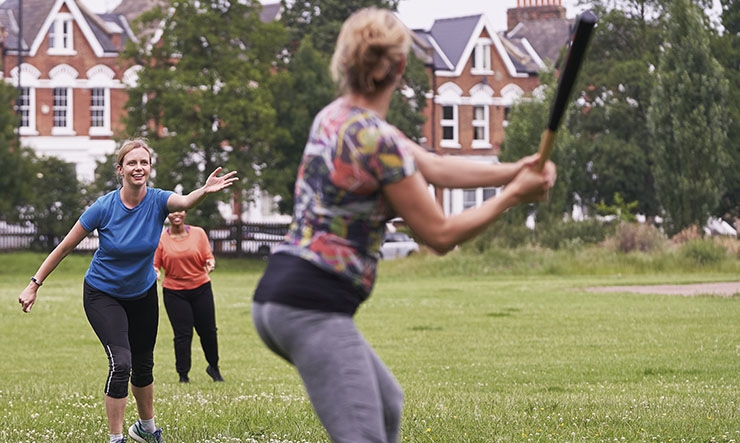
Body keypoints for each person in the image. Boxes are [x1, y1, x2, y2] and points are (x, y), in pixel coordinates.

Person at [250, 7, 557, 443]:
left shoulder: (335, 117)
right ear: (398, 66)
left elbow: (431, 166)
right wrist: (512, 197)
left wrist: (514, 169)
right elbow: (440, 235)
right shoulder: (380, 141)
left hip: (279, 295)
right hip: (311, 306)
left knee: (386, 405)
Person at [18, 138, 238, 443]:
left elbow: (185, 202)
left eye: (144, 162)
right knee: (122, 363)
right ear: (120, 169)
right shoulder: (104, 207)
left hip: (143, 293)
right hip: (103, 293)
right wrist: (34, 283)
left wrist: (204, 190)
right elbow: (65, 246)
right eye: (132, 163)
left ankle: (146, 429)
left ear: (149, 168)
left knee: (144, 365)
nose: (139, 168)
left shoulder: (159, 201)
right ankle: (116, 438)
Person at [154, 210, 224, 384]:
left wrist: (210, 263)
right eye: (172, 212)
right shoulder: (161, 238)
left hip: (201, 288)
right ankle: (183, 375)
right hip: (174, 292)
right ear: (167, 216)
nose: (176, 214)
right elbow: (155, 264)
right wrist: (155, 272)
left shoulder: (199, 233)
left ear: (185, 212)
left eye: (180, 210)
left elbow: (208, 256)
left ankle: (213, 367)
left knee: (208, 331)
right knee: (183, 334)